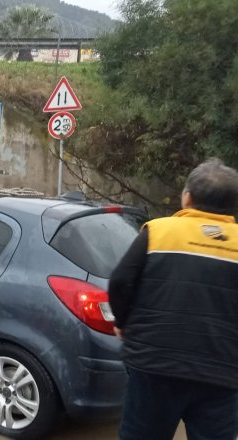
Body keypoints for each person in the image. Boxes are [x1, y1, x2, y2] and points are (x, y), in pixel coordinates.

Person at [108, 158, 238, 440]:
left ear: (187, 197)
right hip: (223, 371)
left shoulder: (158, 231)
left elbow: (120, 282)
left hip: (154, 366)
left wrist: (123, 322)